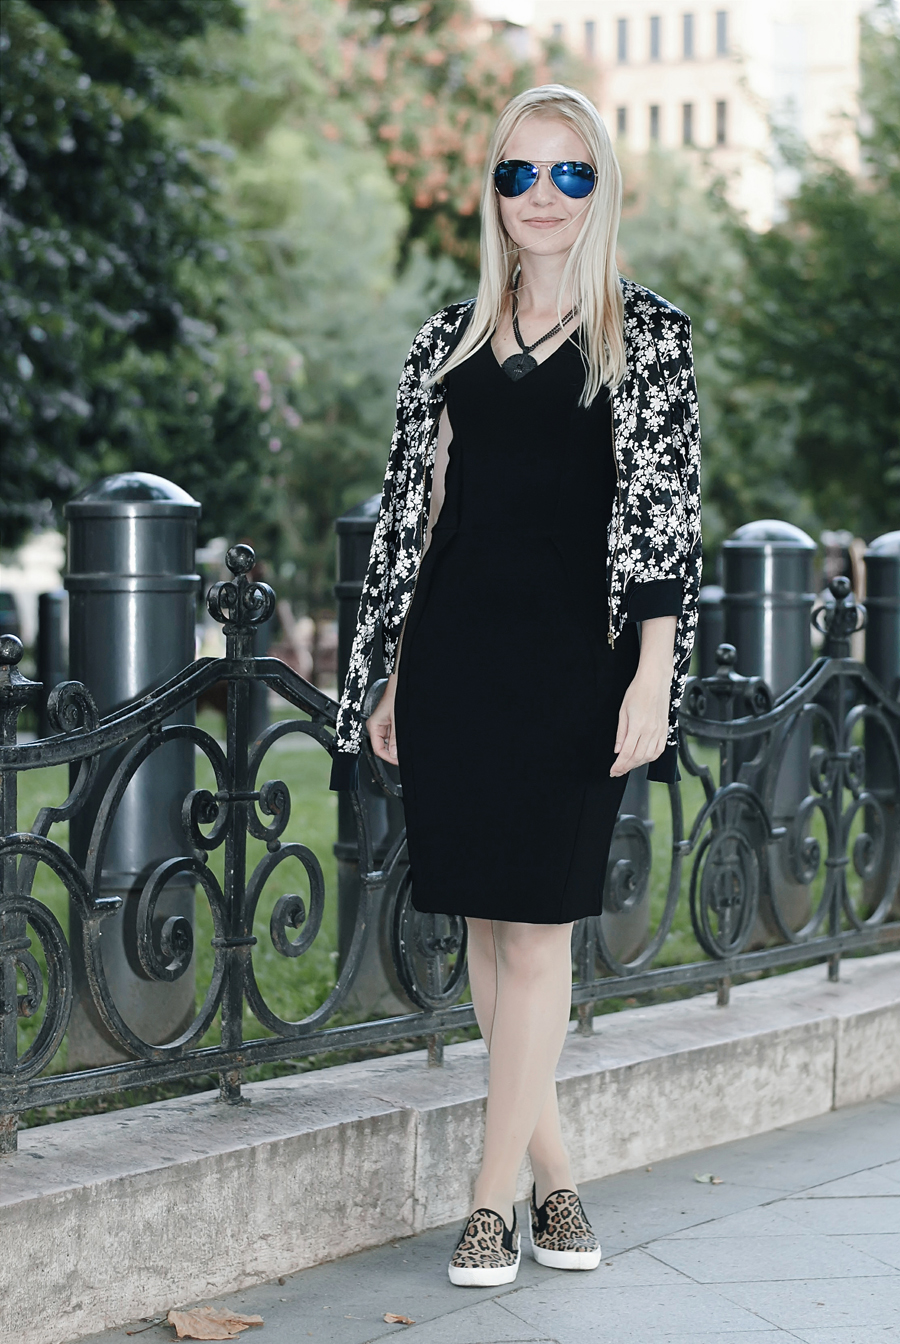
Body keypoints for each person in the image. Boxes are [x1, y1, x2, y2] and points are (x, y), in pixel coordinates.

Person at [330, 84, 702, 1286]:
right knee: (492, 929)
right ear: (492, 192)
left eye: (571, 174)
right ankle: (554, 1181)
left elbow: (662, 523)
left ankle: (484, 1205)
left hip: (574, 666)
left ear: (602, 192)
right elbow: (412, 521)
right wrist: (385, 670)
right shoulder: (444, 343)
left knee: (540, 929)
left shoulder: (648, 338)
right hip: (454, 658)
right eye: (521, 174)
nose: (544, 197)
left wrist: (652, 677)